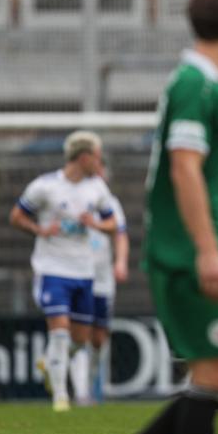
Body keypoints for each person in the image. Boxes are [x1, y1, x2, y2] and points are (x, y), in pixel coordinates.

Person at [96, 0, 218, 434]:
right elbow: (183, 168)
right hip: (182, 254)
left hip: (199, 246)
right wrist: (206, 249)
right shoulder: (193, 84)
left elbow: (199, 179)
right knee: (213, 373)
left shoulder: (209, 84)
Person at [9, 130, 118, 412]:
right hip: (52, 269)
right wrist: (39, 229)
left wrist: (94, 224)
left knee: (78, 340)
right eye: (96, 156)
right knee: (59, 332)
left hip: (84, 271)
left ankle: (49, 362)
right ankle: (60, 396)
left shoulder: (97, 189)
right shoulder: (45, 187)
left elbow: (113, 225)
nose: (99, 161)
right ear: (83, 157)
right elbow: (17, 216)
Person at [85, 159, 129, 404]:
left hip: (102, 276)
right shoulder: (71, 196)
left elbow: (120, 234)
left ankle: (92, 380)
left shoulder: (111, 204)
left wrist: (120, 262)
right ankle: (76, 390)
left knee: (98, 335)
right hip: (77, 272)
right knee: (77, 329)